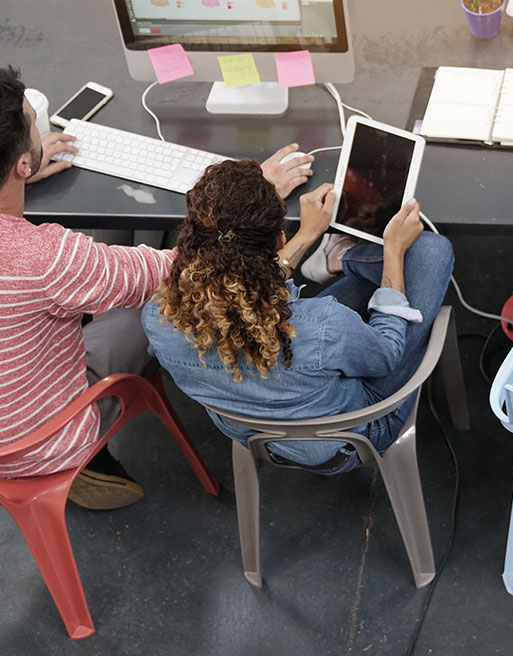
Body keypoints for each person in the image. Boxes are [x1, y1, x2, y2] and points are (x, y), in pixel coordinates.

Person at [0, 65, 313, 509]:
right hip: (34, 440)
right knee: (154, 307)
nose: (39, 126)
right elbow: (181, 269)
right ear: (22, 161)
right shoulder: (45, 257)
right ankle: (84, 458)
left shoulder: (43, 253)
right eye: (33, 123)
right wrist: (253, 197)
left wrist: (17, 175)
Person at [142, 160, 454, 472]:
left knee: (367, 287)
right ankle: (344, 256)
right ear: (279, 239)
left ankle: (340, 257)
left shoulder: (159, 317)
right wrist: (393, 252)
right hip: (353, 439)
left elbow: (245, 277)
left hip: (255, 435)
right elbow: (387, 354)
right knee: (430, 250)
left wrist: (307, 234)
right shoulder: (323, 326)